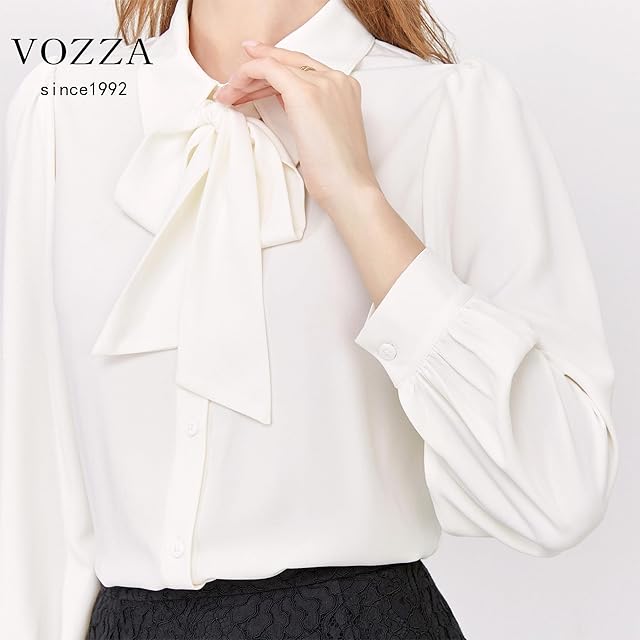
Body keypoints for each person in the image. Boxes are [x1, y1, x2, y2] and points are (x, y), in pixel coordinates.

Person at [0, 0, 619, 638]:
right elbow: (33, 490)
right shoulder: (62, 109)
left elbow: (559, 495)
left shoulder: (452, 109)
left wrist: (356, 196)